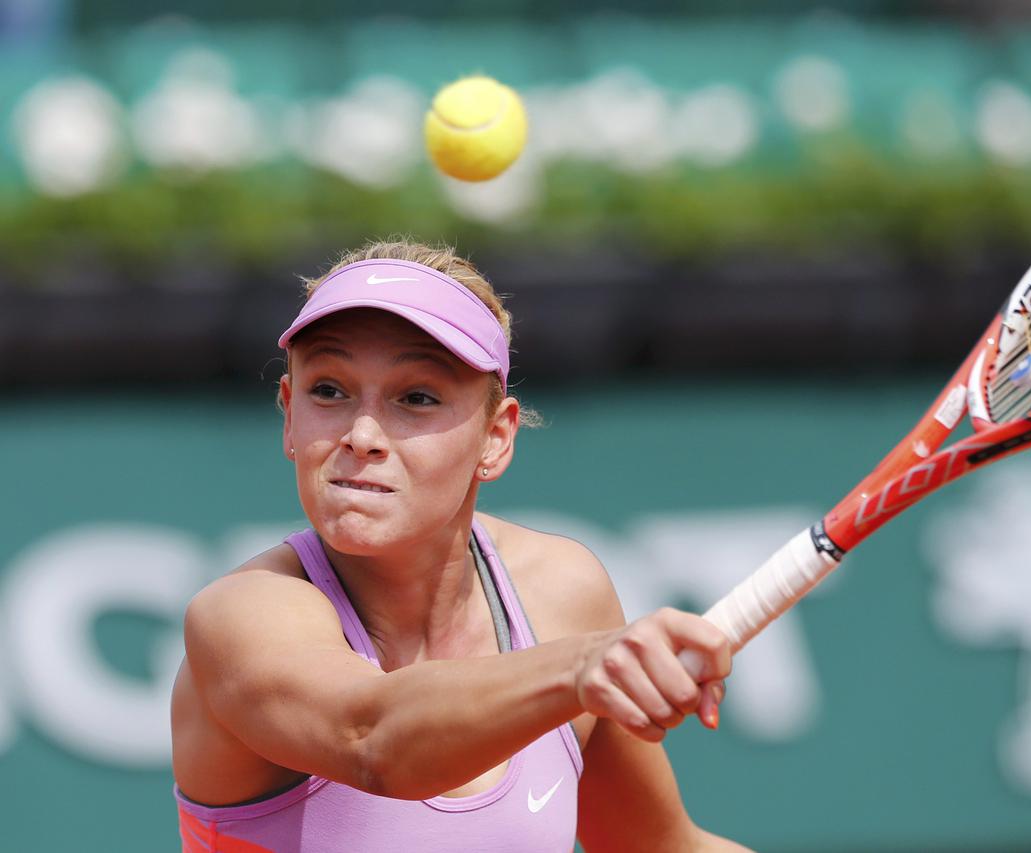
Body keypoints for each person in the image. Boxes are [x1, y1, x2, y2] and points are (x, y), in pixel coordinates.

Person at [171, 240, 749, 852]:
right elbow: (375, 740)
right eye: (329, 391)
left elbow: (667, 848)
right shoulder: (239, 618)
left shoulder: (561, 593)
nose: (361, 434)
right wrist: (580, 667)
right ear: (289, 415)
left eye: (415, 397)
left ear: (495, 438)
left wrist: (581, 662)